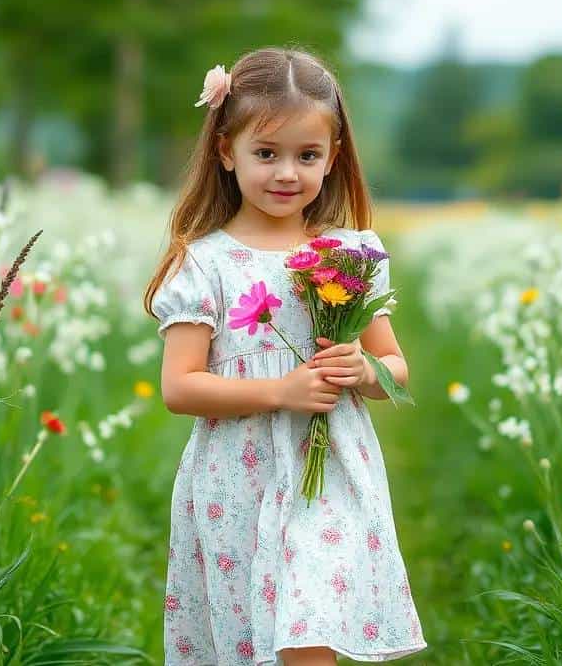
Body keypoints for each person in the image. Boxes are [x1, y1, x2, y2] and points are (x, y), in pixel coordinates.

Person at [144, 47, 427, 665]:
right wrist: (280, 391)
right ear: (226, 151)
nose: (286, 173)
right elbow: (180, 387)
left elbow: (394, 368)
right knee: (254, 636)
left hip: (329, 479)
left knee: (307, 630)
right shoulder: (204, 264)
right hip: (236, 481)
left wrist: (366, 371)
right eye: (266, 154)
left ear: (333, 158)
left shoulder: (347, 254)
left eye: (308, 155)